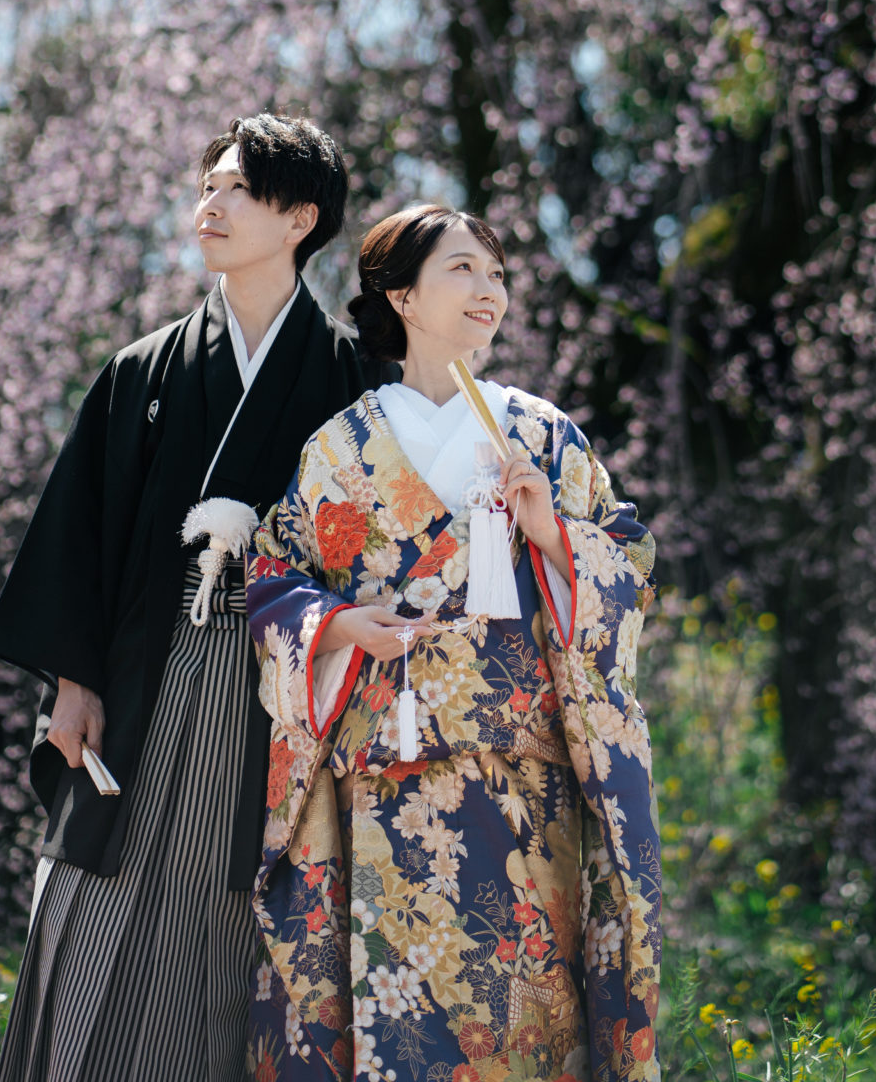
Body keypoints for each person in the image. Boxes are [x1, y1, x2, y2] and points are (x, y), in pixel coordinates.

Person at [0, 114, 391, 1082]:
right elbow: (83, 532)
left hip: (277, 685)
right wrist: (71, 681)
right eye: (207, 185)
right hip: (142, 669)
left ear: (299, 218)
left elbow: (378, 545)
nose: (209, 204)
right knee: (92, 894)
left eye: (237, 188)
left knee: (228, 910)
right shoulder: (144, 370)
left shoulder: (353, 378)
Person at [245, 203, 662, 1082]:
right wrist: (338, 625)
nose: (489, 290)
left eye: (497, 274)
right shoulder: (338, 448)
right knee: (397, 1025)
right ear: (400, 296)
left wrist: (552, 534)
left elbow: (629, 563)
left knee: (525, 1017)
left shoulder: (543, 436)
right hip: (386, 776)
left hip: (524, 778)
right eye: (463, 269)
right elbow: (276, 574)